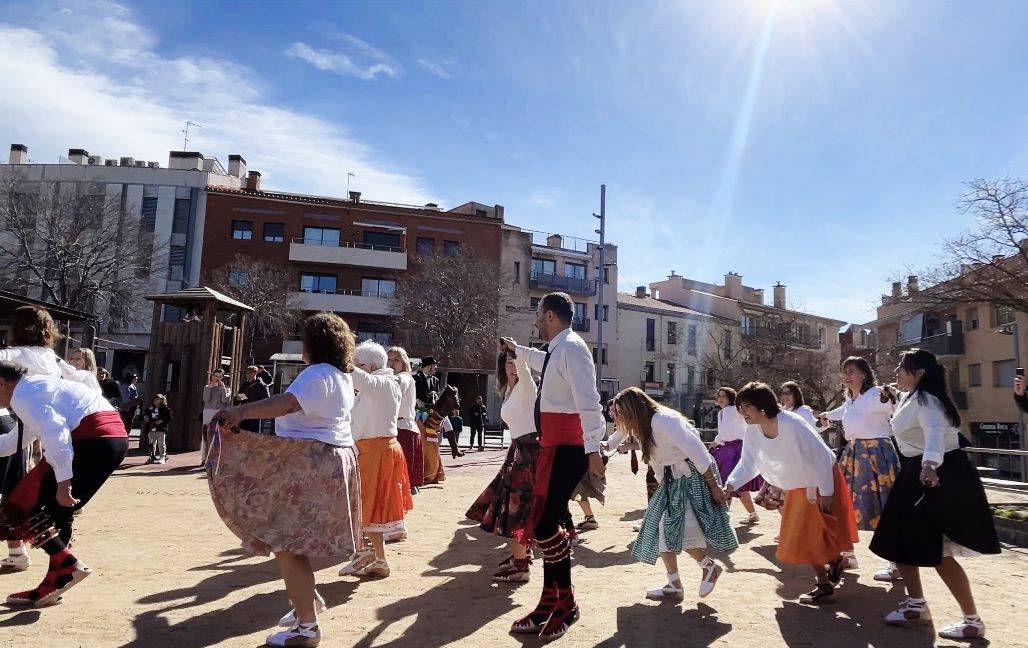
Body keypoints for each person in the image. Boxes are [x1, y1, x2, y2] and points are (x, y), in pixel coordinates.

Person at [210, 313, 362, 648]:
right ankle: (306, 601)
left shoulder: (316, 374)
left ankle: (307, 628)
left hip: (310, 462)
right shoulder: (340, 376)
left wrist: (240, 413)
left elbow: (288, 404)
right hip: (330, 460)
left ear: (311, 345)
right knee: (295, 542)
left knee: (287, 545)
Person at [870, 349, 1000, 641]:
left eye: (902, 367)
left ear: (919, 373)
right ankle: (916, 604)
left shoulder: (927, 400)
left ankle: (972, 621)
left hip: (935, 474)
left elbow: (934, 435)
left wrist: (929, 465)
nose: (896, 372)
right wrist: (894, 398)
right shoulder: (913, 397)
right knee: (897, 540)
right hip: (914, 473)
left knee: (938, 550)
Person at [502, 291, 606, 641]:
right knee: (547, 520)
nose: (536, 320)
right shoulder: (560, 348)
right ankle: (551, 600)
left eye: (538, 314)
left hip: (568, 447)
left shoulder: (572, 348)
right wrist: (517, 349)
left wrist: (593, 450)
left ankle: (566, 603)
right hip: (555, 445)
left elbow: (590, 402)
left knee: (547, 523)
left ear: (549, 314)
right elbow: (542, 361)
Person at [0, 362, 128, 606]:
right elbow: (10, 443)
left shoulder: (24, 396)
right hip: (111, 439)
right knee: (58, 511)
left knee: (21, 504)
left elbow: (56, 434)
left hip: (93, 439)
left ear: (1, 383)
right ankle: (56, 580)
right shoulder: (35, 389)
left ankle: (67, 566)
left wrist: (63, 484)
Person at [725, 382, 858, 605]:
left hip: (820, 478)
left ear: (762, 407)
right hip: (797, 484)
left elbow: (821, 457)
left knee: (817, 532)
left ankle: (828, 576)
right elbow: (748, 463)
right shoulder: (752, 430)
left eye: (746, 407)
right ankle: (830, 572)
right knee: (802, 533)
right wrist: (730, 485)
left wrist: (826, 492)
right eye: (740, 407)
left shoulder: (792, 423)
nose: (742, 412)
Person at [607, 387, 737, 601]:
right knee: (663, 530)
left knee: (677, 530)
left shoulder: (664, 421)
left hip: (690, 477)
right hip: (671, 480)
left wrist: (714, 486)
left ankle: (708, 568)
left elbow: (698, 453)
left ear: (633, 410)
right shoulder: (642, 423)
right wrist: (601, 446)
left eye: (620, 413)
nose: (618, 418)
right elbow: (620, 438)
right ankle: (675, 584)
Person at [0, 306, 100, 573]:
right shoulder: (52, 358)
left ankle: (55, 562)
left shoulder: (11, 355)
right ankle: (43, 558)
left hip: (26, 421)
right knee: (21, 492)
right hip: (37, 424)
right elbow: (84, 380)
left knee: (19, 496)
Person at [818, 356, 902, 579]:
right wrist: (826, 415)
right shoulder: (850, 398)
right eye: (845, 371)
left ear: (864, 374)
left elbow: (899, 404)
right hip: (853, 454)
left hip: (877, 454)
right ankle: (848, 555)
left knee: (885, 507)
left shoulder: (877, 394)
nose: (847, 375)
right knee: (843, 503)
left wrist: (895, 398)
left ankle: (896, 564)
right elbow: (843, 411)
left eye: (852, 371)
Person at [466, 347, 542, 582]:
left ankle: (521, 566)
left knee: (516, 510)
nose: (513, 366)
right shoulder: (510, 390)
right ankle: (521, 557)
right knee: (511, 507)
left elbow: (524, 370)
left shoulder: (527, 386)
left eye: (515, 362)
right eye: (508, 362)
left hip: (528, 452)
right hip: (518, 450)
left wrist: (516, 350)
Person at [337, 341, 411, 580]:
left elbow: (359, 378)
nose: (357, 368)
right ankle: (376, 557)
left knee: (365, 504)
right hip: (370, 450)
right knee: (366, 506)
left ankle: (367, 552)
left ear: (369, 366)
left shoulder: (383, 384)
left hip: (375, 452)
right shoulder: (380, 385)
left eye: (359, 364)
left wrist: (337, 354)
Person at [708, 387, 761, 526]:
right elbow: (724, 433)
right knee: (729, 484)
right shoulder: (720, 413)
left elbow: (744, 418)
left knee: (733, 484)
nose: (720, 398)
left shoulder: (735, 410)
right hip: (727, 450)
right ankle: (733, 515)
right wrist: (716, 441)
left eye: (723, 396)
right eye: (719, 396)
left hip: (737, 449)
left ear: (730, 397)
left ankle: (730, 516)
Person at [388, 347, 424, 495]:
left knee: (400, 480)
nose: (392, 363)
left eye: (396, 360)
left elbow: (399, 381)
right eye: (389, 359)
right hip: (400, 429)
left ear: (403, 363)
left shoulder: (405, 377)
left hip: (404, 431)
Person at [200, 370, 230, 467]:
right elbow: (206, 399)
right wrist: (209, 387)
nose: (217, 378)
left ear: (223, 378)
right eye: (216, 376)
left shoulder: (227, 388)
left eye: (220, 376)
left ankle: (217, 458)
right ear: (212, 376)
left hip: (220, 414)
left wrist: (222, 389)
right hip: (209, 413)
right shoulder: (207, 387)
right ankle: (205, 458)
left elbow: (225, 400)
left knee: (218, 436)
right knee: (206, 435)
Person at [235, 366, 271, 434]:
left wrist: (249, 398)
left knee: (253, 433)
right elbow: (239, 397)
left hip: (255, 414)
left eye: (250, 373)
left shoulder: (261, 385)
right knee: (243, 433)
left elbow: (266, 400)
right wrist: (237, 399)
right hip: (244, 413)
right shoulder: (244, 385)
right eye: (247, 373)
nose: (247, 375)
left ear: (255, 373)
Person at [142, 394, 172, 464]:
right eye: (155, 399)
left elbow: (169, 417)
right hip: (151, 428)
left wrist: (162, 421)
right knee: (152, 444)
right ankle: (151, 456)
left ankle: (162, 457)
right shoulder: (149, 409)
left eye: (158, 399)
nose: (155, 401)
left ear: (162, 400)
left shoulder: (166, 409)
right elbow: (143, 415)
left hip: (161, 428)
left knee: (161, 444)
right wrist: (144, 417)